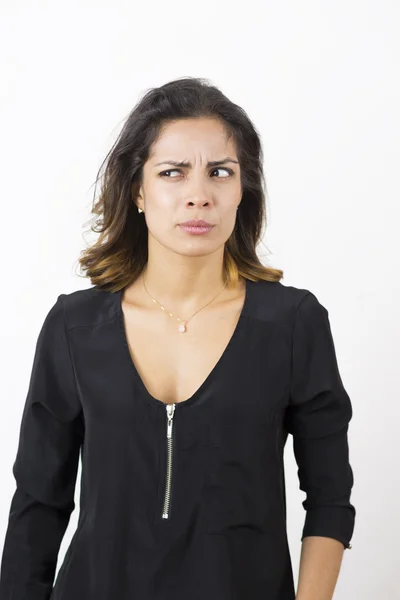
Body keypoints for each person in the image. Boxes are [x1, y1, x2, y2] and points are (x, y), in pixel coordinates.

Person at [0, 76, 355, 600]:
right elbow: (38, 502)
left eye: (220, 172)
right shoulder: (75, 327)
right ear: (139, 190)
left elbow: (329, 496)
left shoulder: (292, 323)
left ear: (242, 189)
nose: (198, 196)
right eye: (173, 173)